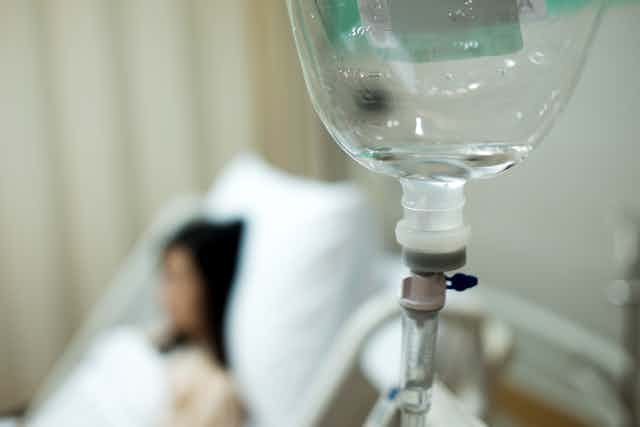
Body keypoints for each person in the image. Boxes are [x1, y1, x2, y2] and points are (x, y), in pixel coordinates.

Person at [157, 219, 246, 427]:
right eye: (167, 279)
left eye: (179, 279)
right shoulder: (176, 353)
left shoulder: (220, 392)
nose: (166, 296)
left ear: (211, 284)